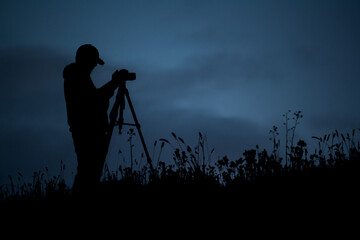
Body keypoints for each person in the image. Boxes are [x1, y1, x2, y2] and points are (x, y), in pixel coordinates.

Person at [63, 44, 127, 196]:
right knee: (88, 174)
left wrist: (112, 85)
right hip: (87, 132)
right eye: (92, 62)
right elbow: (93, 101)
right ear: (86, 60)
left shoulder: (77, 75)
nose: (93, 67)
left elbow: (94, 99)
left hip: (88, 131)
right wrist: (114, 83)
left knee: (88, 173)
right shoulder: (76, 76)